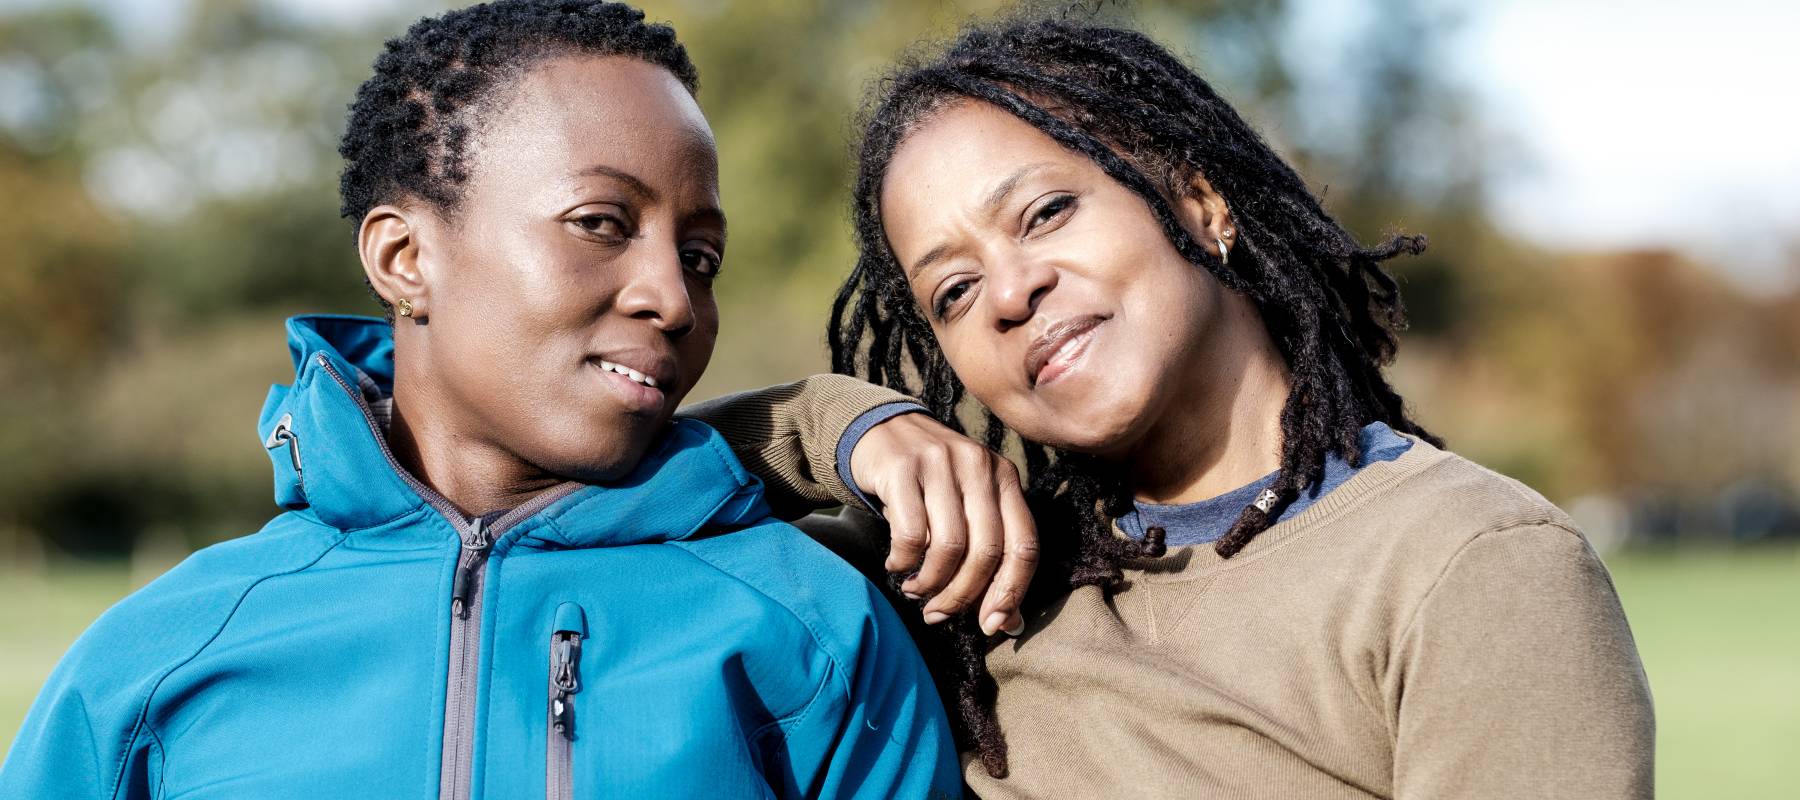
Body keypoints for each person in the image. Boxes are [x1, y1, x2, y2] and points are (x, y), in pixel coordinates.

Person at [0, 3, 987, 797]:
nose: (675, 297)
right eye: (599, 221)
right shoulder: (153, 661)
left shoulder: (814, 626)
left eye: (701, 256)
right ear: (404, 256)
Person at [694, 16, 1657, 799]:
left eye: (1046, 212)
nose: (1008, 293)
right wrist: (852, 425)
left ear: (1201, 204)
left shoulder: (1473, 565)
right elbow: (599, 469)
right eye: (952, 292)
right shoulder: (971, 579)